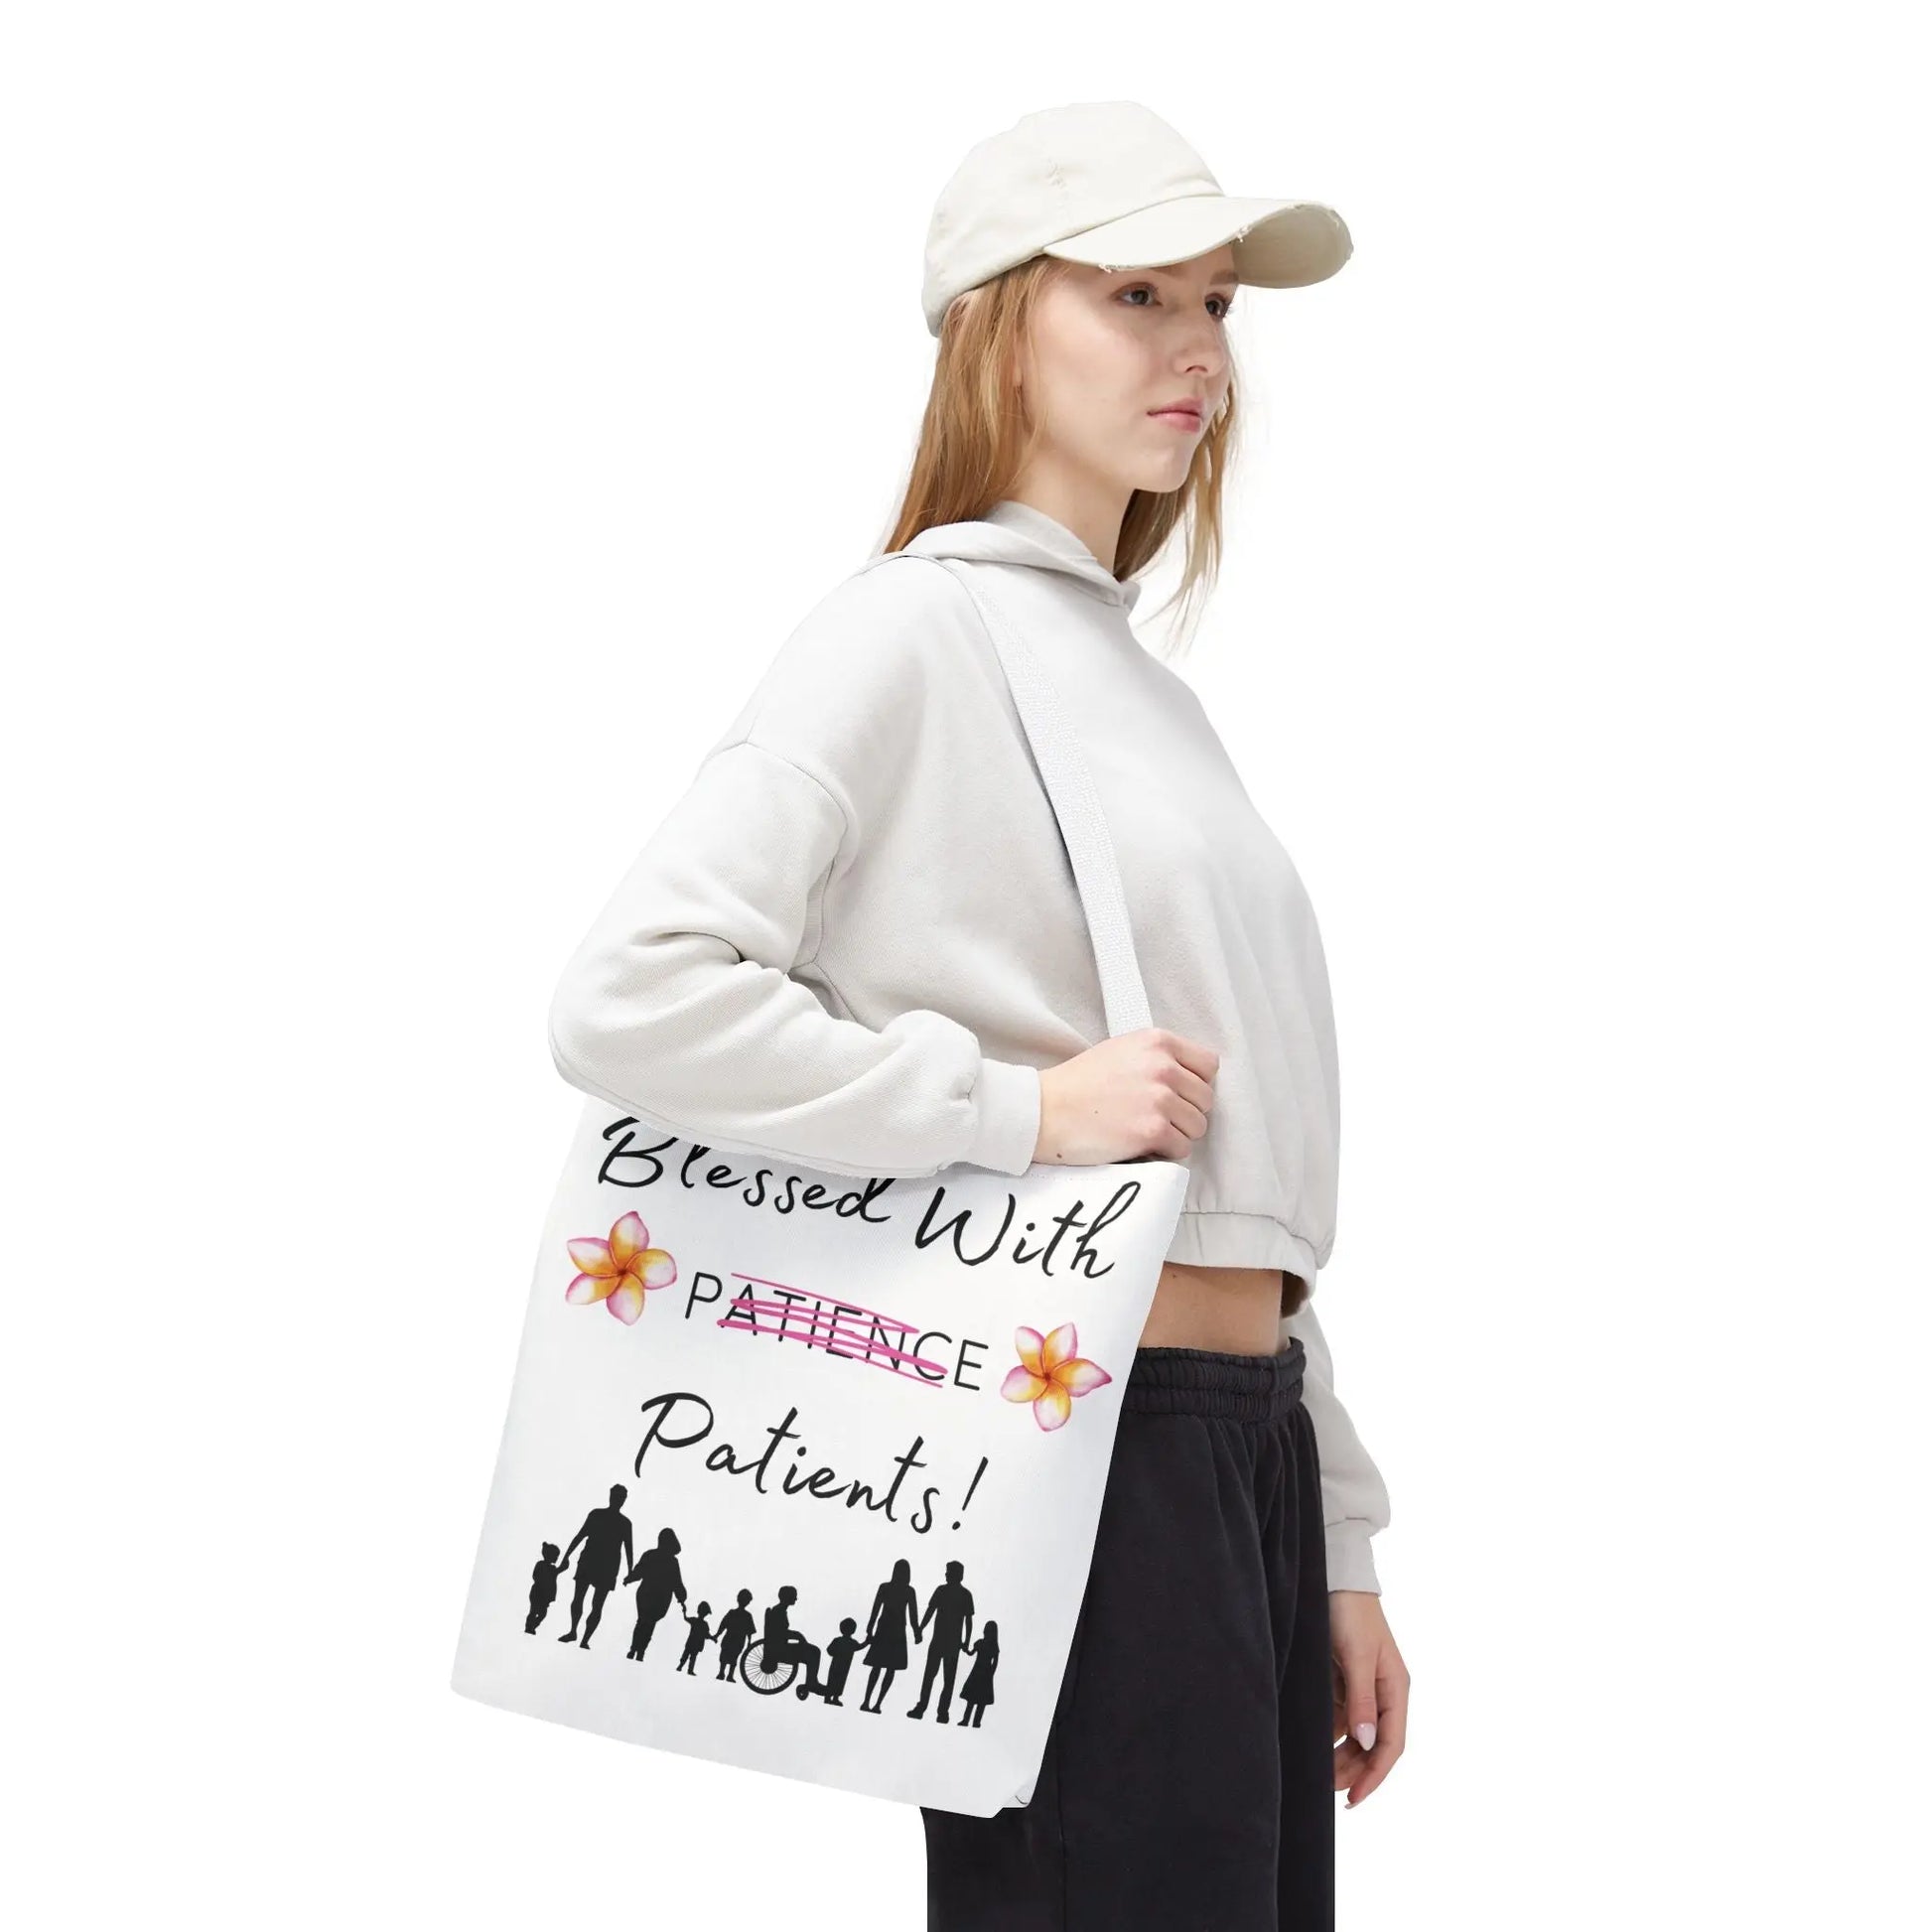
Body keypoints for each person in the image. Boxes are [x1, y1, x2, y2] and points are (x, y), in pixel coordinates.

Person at [544, 95, 1410, 1932]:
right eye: (1136, 295)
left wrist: (1331, 1534)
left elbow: (1235, 1172)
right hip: (1077, 1441)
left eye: (1218, 308)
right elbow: (632, 996)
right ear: (997, 326)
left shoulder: (1145, 693)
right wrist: (1015, 1111)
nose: (1195, 349)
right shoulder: (905, 634)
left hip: (1224, 1443)